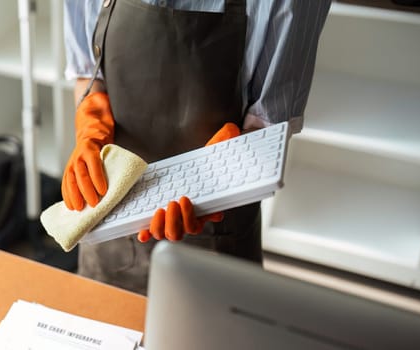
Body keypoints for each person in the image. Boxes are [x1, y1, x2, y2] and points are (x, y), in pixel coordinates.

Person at [62, 0, 331, 295]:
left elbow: (270, 124)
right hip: (108, 211)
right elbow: (88, 70)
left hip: (214, 228)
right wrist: (91, 123)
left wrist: (230, 167)